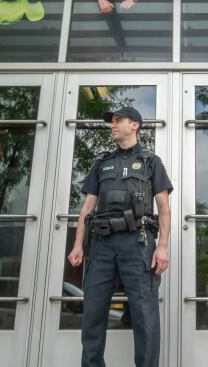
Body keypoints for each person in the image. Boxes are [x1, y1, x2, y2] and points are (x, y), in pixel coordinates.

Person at [68, 107, 172, 367]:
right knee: (92, 313)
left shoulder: (151, 162)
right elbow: (87, 208)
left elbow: (164, 208)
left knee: (144, 314)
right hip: (101, 245)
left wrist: (162, 246)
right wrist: (78, 244)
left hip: (137, 244)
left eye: (118, 121)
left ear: (134, 125)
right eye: (112, 122)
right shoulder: (101, 163)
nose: (112, 125)